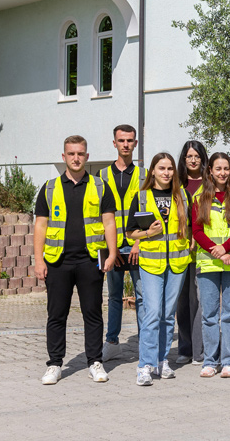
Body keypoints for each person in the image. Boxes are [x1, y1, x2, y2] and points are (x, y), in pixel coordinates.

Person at [34, 135, 118, 385]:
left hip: (90, 261)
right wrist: (38, 260)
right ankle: (55, 364)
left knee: (92, 313)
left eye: (80, 153)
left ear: (87, 156)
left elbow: (109, 222)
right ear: (64, 157)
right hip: (57, 262)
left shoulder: (100, 186)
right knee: (56, 315)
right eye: (71, 154)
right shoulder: (49, 188)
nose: (76, 158)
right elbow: (40, 226)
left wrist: (112, 254)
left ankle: (95, 362)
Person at [126, 151, 191, 386]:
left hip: (177, 263)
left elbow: (190, 228)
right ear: (152, 171)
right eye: (161, 168)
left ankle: (162, 361)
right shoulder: (141, 197)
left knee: (167, 315)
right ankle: (145, 365)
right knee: (152, 314)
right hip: (151, 264)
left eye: (170, 168)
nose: (166, 172)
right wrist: (147, 233)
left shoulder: (182, 195)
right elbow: (129, 232)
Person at [191, 151, 230, 379]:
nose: (223, 173)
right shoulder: (199, 199)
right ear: (210, 171)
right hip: (208, 265)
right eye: (218, 169)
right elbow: (197, 231)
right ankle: (210, 361)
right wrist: (216, 251)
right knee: (209, 315)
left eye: (226, 169)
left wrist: (224, 249)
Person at [102, 124, 142, 363]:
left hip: (137, 246)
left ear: (135, 143)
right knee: (114, 296)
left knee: (142, 296)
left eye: (129, 140)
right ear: (114, 143)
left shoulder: (144, 175)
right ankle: (112, 343)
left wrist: (138, 242)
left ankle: (145, 343)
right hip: (113, 247)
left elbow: (148, 212)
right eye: (121, 140)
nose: (125, 144)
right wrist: (111, 248)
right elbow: (99, 215)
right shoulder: (102, 176)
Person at [174, 140, 208, 367]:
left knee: (199, 302)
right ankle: (184, 349)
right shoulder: (177, 184)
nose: (193, 160)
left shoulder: (210, 183)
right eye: (189, 156)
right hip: (180, 250)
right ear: (184, 159)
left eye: (197, 156)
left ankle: (200, 351)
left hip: (203, 251)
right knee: (182, 303)